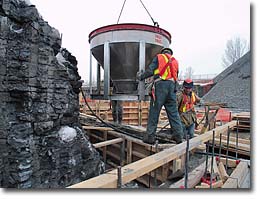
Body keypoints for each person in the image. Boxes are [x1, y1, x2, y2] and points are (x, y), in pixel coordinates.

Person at [136, 47, 183, 144]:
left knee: (154, 112)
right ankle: (178, 136)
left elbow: (150, 71)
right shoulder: (175, 61)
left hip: (161, 86)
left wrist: (141, 77)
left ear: (163, 52)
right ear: (170, 53)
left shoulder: (159, 57)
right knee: (173, 113)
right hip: (172, 87)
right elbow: (175, 76)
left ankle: (150, 137)